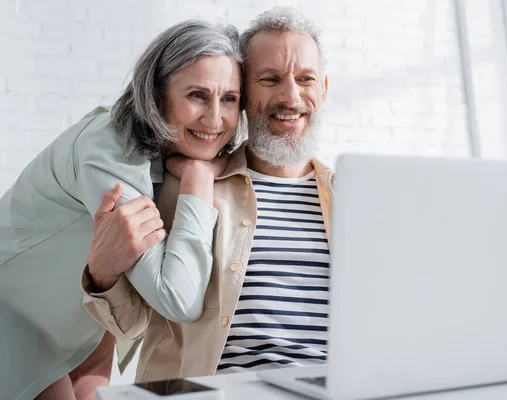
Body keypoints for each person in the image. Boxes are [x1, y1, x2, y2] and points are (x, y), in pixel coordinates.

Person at [84, 6, 334, 382]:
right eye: (270, 79)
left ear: (324, 89)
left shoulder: (353, 201)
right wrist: (102, 277)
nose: (291, 95)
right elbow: (131, 325)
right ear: (245, 91)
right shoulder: (184, 189)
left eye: (306, 78)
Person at [0, 20, 243, 400]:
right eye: (197, 95)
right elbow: (177, 298)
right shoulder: (110, 153)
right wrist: (198, 178)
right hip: (13, 317)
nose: (215, 119)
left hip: (81, 329)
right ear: (156, 94)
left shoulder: (166, 151)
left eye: (229, 98)